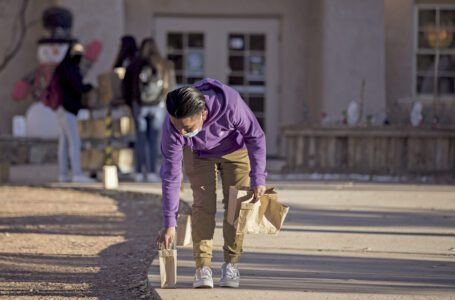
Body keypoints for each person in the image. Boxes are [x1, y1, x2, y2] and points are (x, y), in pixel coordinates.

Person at [155, 78, 267, 288]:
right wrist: (169, 223)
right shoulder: (173, 128)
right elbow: (171, 175)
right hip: (198, 154)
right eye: (177, 127)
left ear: (203, 114)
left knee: (236, 205)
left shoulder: (231, 105)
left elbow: (256, 136)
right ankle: (202, 267)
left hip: (235, 151)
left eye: (187, 128)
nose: (181, 132)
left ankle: (231, 264)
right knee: (203, 204)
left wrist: (258, 177)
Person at [123, 38, 175, 182]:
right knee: (153, 140)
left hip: (139, 105)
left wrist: (130, 103)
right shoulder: (163, 63)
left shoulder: (135, 63)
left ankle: (139, 171)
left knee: (140, 138)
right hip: (158, 105)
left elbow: (126, 85)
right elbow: (170, 85)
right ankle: (152, 172)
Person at [54, 42, 94, 183]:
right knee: (74, 142)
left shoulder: (61, 68)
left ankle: (63, 174)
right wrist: (89, 87)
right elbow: (78, 87)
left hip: (60, 108)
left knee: (64, 143)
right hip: (67, 108)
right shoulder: (71, 69)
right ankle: (77, 174)